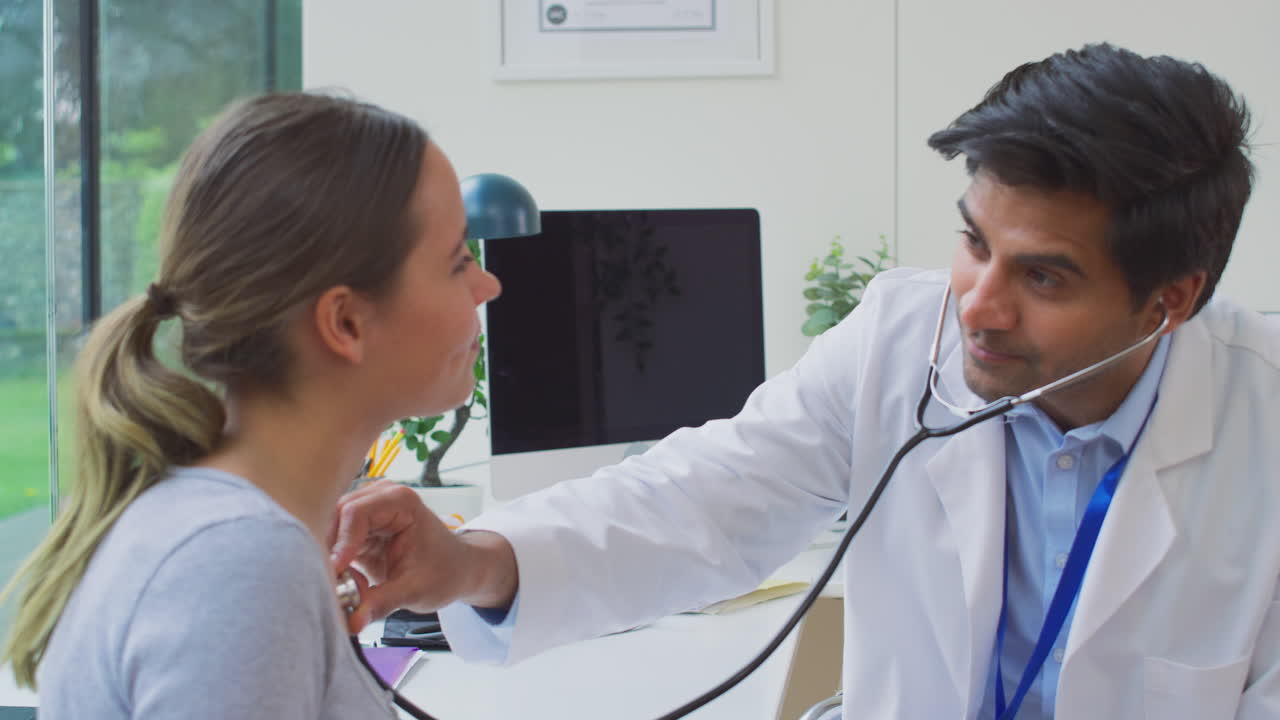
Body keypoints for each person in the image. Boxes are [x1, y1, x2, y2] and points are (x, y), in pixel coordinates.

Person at [331, 43, 1280, 719]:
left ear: (1170, 301)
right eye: (974, 244)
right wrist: (471, 563)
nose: (978, 307)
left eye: (1043, 277)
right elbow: (702, 499)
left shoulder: (1261, 424)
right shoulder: (900, 340)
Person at [0, 92, 502, 718]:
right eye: (458, 262)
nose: (489, 284)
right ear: (345, 322)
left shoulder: (229, 532)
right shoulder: (238, 562)